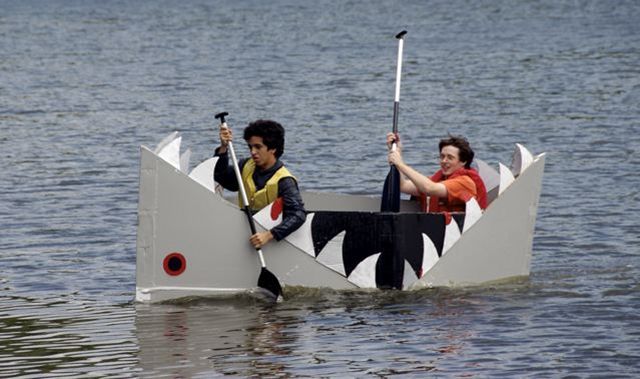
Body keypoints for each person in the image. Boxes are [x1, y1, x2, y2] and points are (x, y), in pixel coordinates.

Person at [214, 119, 306, 248]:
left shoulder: (285, 181)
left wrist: (268, 235)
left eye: (258, 147)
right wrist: (223, 148)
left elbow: (298, 215)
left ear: (273, 148)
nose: (252, 152)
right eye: (250, 147)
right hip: (244, 235)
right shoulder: (245, 166)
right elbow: (222, 177)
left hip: (269, 241)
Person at [386, 132, 488, 212]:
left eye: (450, 158)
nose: (444, 161)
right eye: (442, 156)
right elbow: (402, 185)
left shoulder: (465, 182)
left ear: (463, 162)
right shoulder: (438, 180)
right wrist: (396, 151)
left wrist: (400, 164)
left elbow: (429, 188)